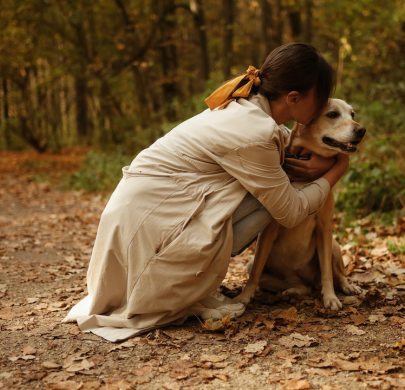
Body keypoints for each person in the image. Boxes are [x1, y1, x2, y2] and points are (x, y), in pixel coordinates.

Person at [64, 43, 350, 342]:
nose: (321, 109)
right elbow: (289, 212)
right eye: (320, 102)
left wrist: (318, 157)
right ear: (293, 98)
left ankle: (190, 280)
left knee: (273, 186)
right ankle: (180, 286)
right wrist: (337, 169)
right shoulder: (256, 131)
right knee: (276, 199)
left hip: (137, 219)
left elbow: (285, 147)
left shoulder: (245, 107)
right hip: (150, 229)